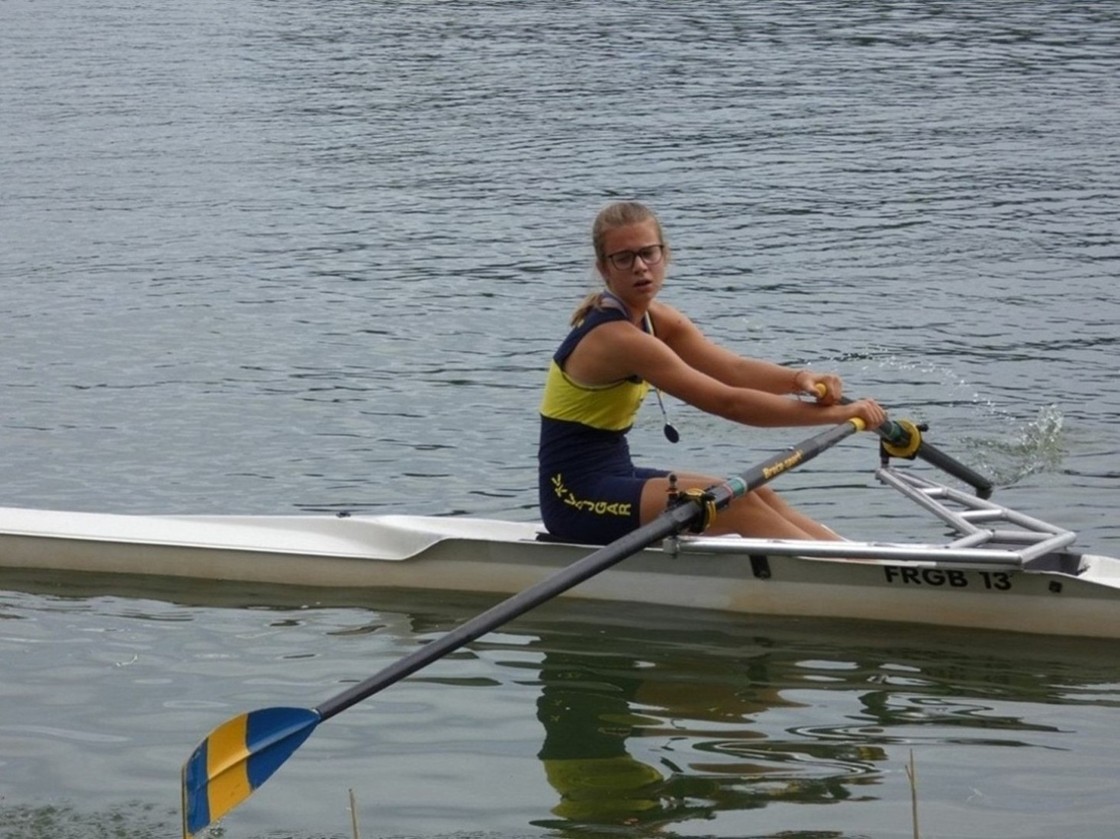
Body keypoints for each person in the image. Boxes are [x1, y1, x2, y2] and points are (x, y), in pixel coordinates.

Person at [538, 201, 887, 545]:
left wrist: (800, 380)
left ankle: (859, 560)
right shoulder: (617, 338)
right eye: (624, 258)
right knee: (736, 505)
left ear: (665, 255)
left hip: (615, 474)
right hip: (573, 496)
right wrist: (839, 415)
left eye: (648, 253)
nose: (640, 267)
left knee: (755, 493)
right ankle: (851, 571)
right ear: (604, 269)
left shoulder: (656, 319)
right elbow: (728, 402)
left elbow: (734, 370)